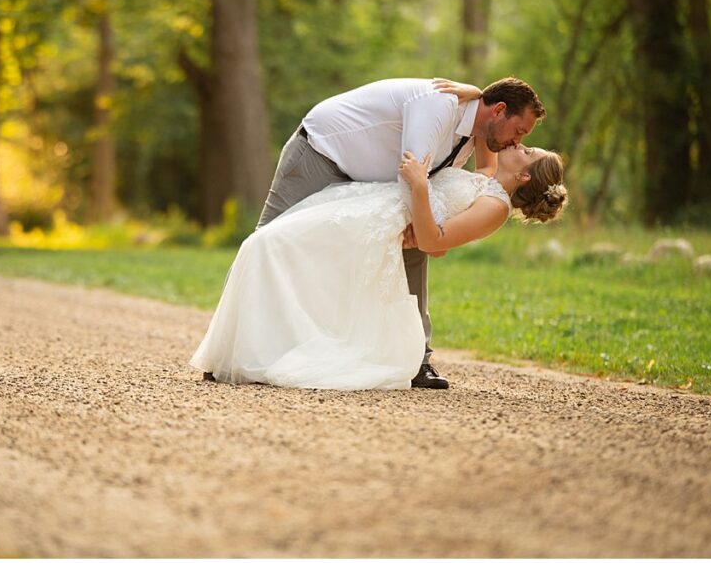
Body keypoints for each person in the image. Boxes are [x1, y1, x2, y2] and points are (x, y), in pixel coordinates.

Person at [189, 142, 567, 390]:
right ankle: (244, 352)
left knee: (270, 247)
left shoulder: (495, 208)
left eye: (528, 150)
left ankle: (254, 355)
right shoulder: (486, 175)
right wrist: (469, 92)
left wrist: (420, 186)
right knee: (266, 245)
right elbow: (488, 126)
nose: (519, 143)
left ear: (525, 176)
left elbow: (435, 243)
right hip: (365, 204)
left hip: (373, 227)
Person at [250, 76, 546, 389]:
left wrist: (429, 234)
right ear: (499, 111)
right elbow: (411, 173)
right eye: (519, 132)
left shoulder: (483, 132)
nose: (517, 142)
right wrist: (436, 234)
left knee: (413, 249)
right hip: (322, 152)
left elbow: (475, 175)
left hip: (372, 183)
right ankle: (242, 346)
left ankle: (417, 360)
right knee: (268, 240)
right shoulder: (439, 106)